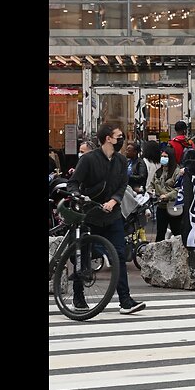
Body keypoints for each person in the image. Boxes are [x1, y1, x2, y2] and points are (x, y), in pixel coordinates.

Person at [68, 123, 146, 315]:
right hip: (90, 215)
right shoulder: (88, 160)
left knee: (119, 254)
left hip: (113, 215)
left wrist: (114, 200)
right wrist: (78, 195)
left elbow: (122, 185)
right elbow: (73, 183)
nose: (121, 139)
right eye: (118, 136)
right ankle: (79, 298)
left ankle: (125, 300)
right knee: (83, 255)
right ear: (107, 138)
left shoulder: (120, 160)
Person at [149, 144, 183, 241]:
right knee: (160, 232)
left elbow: (179, 189)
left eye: (165, 157)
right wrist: (150, 191)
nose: (163, 158)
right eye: (162, 156)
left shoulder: (177, 172)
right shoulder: (158, 172)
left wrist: (167, 195)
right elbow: (151, 185)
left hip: (173, 206)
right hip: (161, 206)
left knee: (177, 233)